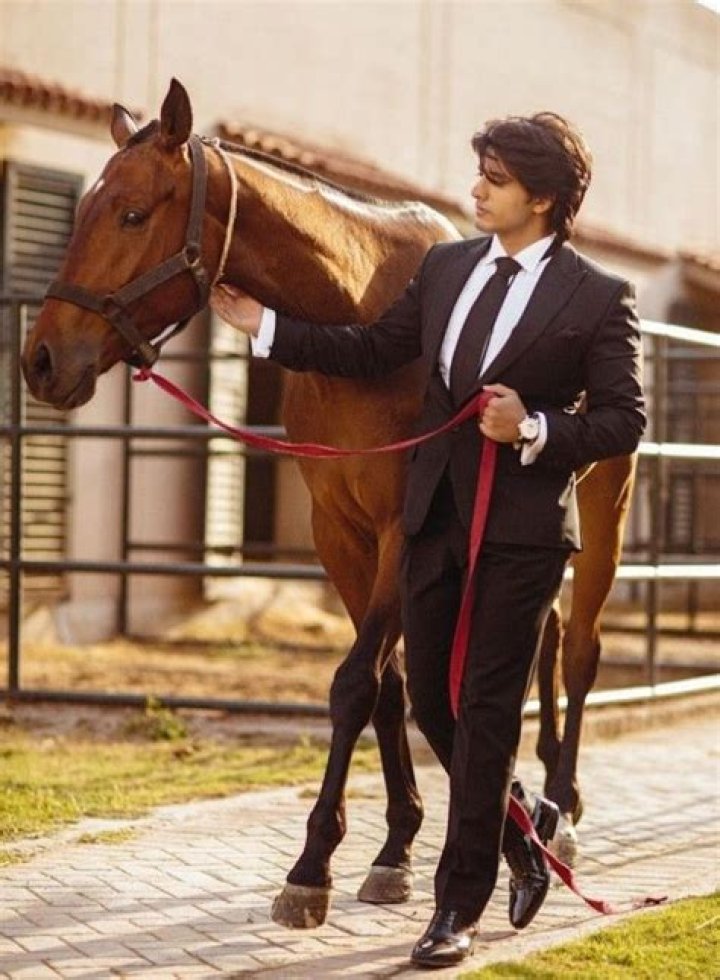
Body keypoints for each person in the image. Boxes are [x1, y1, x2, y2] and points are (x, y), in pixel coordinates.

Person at [210, 111, 646, 968]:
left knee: (485, 709)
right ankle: (523, 831)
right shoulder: (445, 269)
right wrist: (264, 327)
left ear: (543, 198)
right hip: (435, 516)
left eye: (496, 179)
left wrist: (534, 428)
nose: (475, 189)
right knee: (432, 704)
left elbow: (624, 420)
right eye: (479, 171)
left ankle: (456, 907)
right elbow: (373, 349)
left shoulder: (599, 296)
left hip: (522, 533)